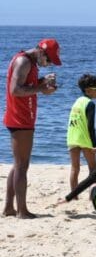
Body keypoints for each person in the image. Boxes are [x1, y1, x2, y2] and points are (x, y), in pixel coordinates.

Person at [3, 38, 61, 218]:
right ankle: (21, 210)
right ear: (41, 52)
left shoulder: (30, 62)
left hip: (23, 117)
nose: (48, 64)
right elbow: (15, 90)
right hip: (19, 119)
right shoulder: (24, 61)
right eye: (49, 59)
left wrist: (42, 82)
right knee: (22, 166)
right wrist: (41, 89)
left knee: (18, 164)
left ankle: (9, 208)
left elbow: (26, 85)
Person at [67, 74, 96, 193]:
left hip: (72, 137)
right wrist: (94, 145)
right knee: (93, 169)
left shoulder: (76, 102)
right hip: (85, 139)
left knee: (74, 168)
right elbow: (90, 126)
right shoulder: (90, 103)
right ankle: (92, 194)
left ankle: (74, 195)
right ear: (88, 90)